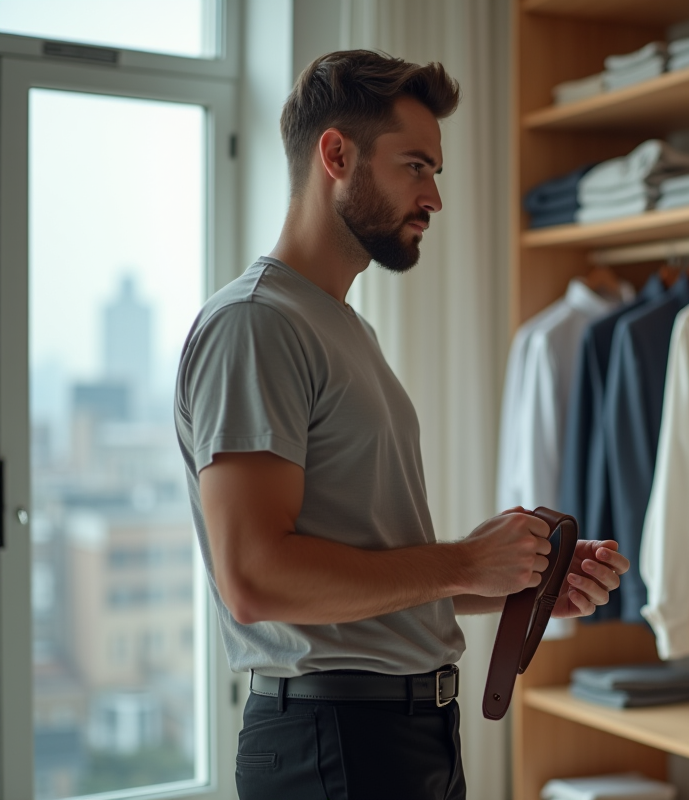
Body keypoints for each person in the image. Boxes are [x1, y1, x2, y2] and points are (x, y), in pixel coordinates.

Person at [174, 50, 629, 800]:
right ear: (336, 155)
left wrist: (520, 578)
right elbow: (254, 578)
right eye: (416, 166)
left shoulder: (343, 330)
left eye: (435, 172)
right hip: (338, 748)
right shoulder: (257, 324)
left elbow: (368, 586)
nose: (435, 198)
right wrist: (460, 562)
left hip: (402, 739)